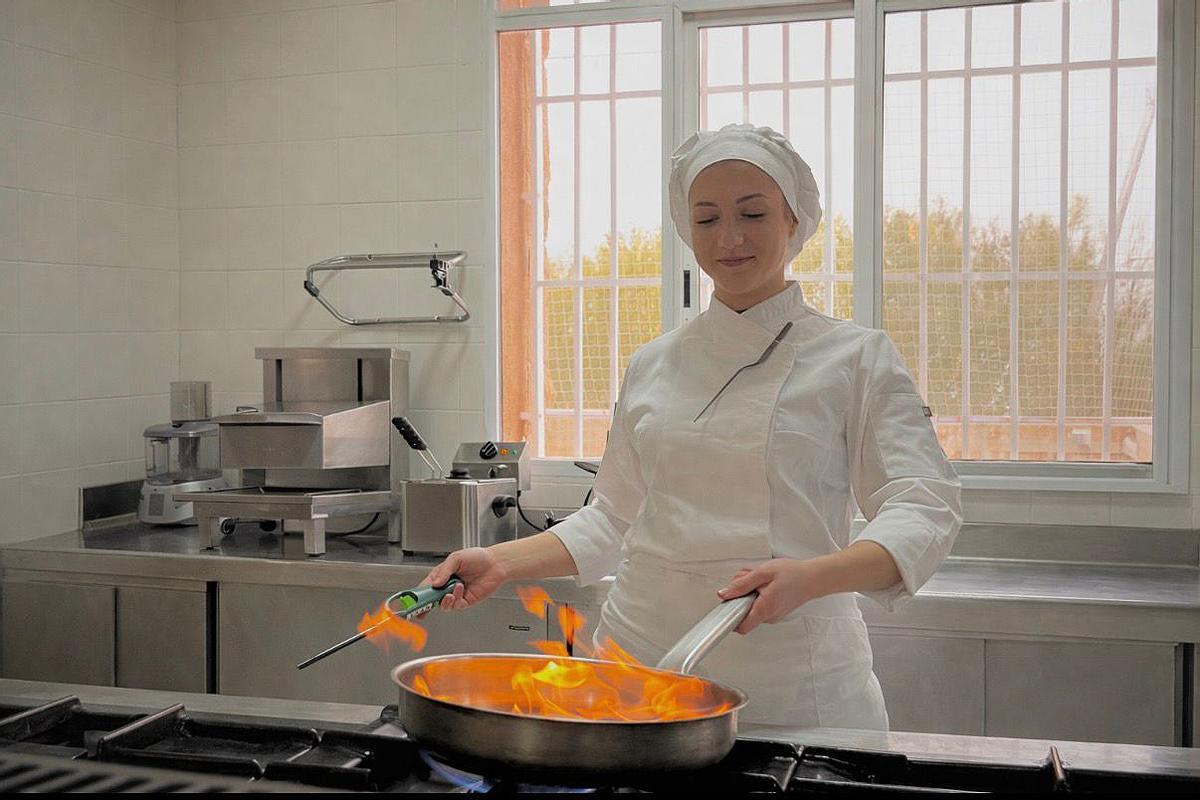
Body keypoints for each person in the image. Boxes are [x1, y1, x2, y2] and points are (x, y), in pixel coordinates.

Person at [423, 123, 961, 729]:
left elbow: (924, 504)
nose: (729, 238)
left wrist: (812, 577)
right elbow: (614, 517)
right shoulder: (653, 363)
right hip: (639, 669)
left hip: (794, 684)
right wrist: (502, 561)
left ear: (793, 220)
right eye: (707, 219)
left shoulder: (855, 357)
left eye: (752, 213)